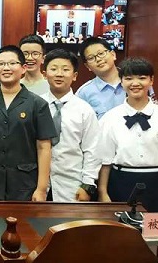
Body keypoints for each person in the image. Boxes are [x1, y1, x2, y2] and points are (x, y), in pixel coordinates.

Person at [97, 58, 158, 212]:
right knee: (122, 228)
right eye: (128, 78)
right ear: (121, 81)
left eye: (141, 78)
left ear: (151, 80)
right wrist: (103, 193)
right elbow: (104, 162)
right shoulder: (109, 119)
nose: (135, 83)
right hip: (120, 184)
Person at [0, 45, 56, 201]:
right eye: (1, 64)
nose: (6, 68)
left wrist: (41, 189)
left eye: (12, 63)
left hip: (24, 185)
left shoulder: (38, 104)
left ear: (23, 68)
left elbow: (44, 147)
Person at [40, 49, 101, 202]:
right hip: (38, 185)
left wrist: (87, 184)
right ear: (44, 74)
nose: (59, 74)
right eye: (54, 69)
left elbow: (92, 150)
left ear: (74, 76)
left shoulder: (84, 110)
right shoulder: (36, 105)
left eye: (65, 69)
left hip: (72, 185)